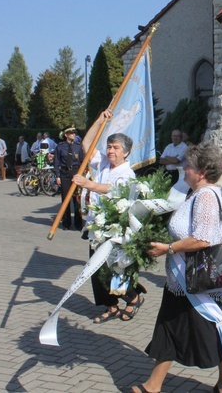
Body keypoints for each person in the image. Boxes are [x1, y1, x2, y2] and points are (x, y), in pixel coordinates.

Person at [132, 142, 222, 393]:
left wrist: (169, 248)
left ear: (201, 171)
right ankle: (153, 385)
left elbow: (203, 239)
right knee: (169, 328)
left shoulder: (206, 196)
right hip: (182, 280)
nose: (183, 169)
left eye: (188, 166)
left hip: (198, 281)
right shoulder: (195, 194)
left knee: (208, 331)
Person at [72, 110, 144, 324]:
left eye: (116, 148)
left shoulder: (127, 173)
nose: (111, 151)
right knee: (96, 267)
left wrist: (89, 184)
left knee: (115, 266)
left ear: (126, 152)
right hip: (96, 224)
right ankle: (110, 306)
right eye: (109, 147)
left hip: (115, 227)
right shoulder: (103, 163)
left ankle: (132, 296)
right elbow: (86, 145)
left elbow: (114, 190)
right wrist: (99, 120)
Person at [54, 127, 84, 232]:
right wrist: (57, 175)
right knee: (65, 199)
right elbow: (56, 162)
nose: (73, 134)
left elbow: (82, 161)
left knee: (77, 200)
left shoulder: (78, 146)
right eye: (71, 133)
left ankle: (78, 224)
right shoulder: (60, 147)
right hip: (65, 173)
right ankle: (66, 222)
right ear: (66, 135)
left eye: (74, 133)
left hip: (75, 172)